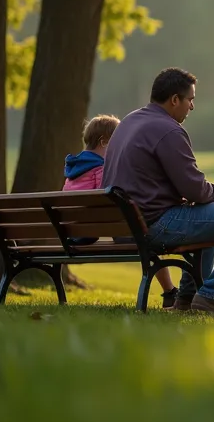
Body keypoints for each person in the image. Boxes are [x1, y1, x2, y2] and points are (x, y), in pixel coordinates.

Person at [102, 67, 214, 318]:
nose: (192, 107)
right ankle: (213, 295)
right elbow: (194, 188)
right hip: (154, 224)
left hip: (127, 226)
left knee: (209, 216)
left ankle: (188, 299)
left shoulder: (129, 122)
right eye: (190, 99)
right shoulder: (167, 129)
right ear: (174, 100)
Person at [64, 114, 178, 308]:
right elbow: (112, 196)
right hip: (95, 231)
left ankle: (170, 291)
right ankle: (170, 291)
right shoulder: (100, 169)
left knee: (142, 238)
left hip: (72, 234)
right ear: (105, 142)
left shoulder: (74, 170)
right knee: (148, 241)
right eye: (118, 142)